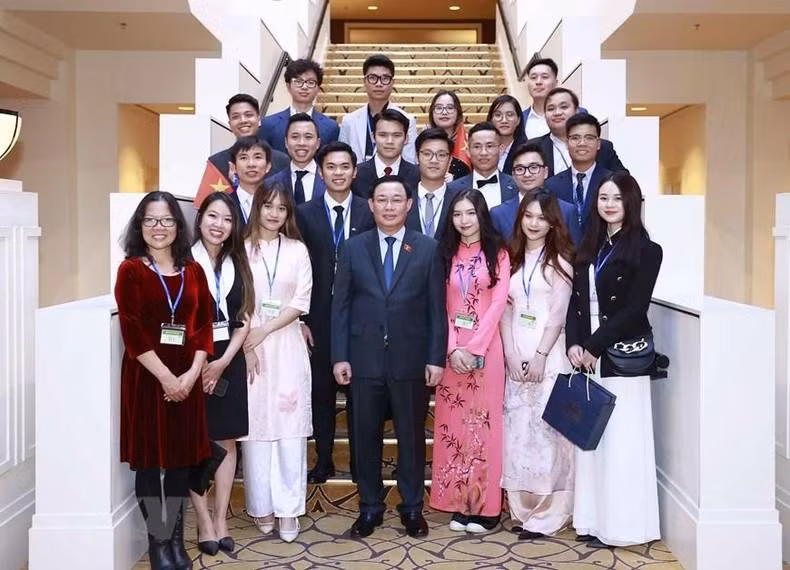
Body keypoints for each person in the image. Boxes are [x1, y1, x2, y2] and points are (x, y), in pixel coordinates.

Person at [331, 175, 447, 539]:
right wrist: (339, 356)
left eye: (397, 199)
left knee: (411, 439)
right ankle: (370, 508)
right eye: (382, 199)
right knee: (364, 437)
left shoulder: (427, 248)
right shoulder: (353, 247)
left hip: (410, 360)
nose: (389, 206)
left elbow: (435, 310)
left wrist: (435, 358)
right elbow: (341, 306)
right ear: (371, 204)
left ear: (409, 205)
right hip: (363, 360)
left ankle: (412, 508)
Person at [115, 191, 213, 570]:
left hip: (186, 380)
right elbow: (134, 332)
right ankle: (158, 546)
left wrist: (189, 375)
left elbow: (204, 326)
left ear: (178, 225)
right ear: (140, 226)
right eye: (151, 220)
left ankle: (175, 542)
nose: (159, 228)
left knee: (177, 464)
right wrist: (168, 379)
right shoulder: (132, 270)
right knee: (148, 464)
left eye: (167, 220)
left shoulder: (193, 270)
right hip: (147, 379)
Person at [565, 171, 662, 548]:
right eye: (603, 198)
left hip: (619, 358)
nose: (609, 204)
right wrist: (574, 344)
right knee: (592, 442)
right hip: (587, 359)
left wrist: (594, 345)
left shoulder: (646, 249)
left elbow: (634, 309)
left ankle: (622, 526)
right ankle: (592, 521)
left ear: (631, 203)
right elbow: (576, 303)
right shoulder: (588, 245)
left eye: (617, 199)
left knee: (621, 445)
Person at [430, 189, 510, 534]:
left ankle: (487, 507)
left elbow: (497, 305)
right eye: (457, 214)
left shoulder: (499, 254)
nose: (464, 220)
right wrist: (452, 348)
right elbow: (441, 305)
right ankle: (461, 503)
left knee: (485, 429)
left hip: (487, 352)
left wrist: (474, 348)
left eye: (470, 213)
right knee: (454, 430)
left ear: (482, 216)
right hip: (452, 354)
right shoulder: (445, 254)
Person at [295, 141, 375, 484]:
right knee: (321, 393)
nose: (338, 173)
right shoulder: (303, 213)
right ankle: (324, 459)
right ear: (321, 171)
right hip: (318, 319)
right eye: (331, 167)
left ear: (354, 171)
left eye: (345, 167)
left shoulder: (369, 210)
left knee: (360, 396)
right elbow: (296, 267)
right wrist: (300, 318)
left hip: (362, 319)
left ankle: (360, 462)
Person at [500, 188, 576, 541]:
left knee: (549, 433)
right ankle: (522, 510)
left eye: (541, 217)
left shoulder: (560, 262)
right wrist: (512, 355)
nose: (534, 223)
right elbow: (503, 309)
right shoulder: (509, 258)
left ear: (552, 222)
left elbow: (557, 316)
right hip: (516, 354)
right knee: (518, 431)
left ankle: (549, 514)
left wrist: (542, 356)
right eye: (528, 216)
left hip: (550, 354)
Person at [241, 181, 313, 543]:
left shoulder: (298, 250)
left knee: (289, 428)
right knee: (256, 430)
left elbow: (301, 301)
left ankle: (288, 509)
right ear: (257, 207)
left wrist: (264, 330)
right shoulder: (239, 249)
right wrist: (247, 344)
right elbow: (232, 299)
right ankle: (262, 506)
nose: (273, 213)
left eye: (281, 208)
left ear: (288, 214)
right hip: (248, 346)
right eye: (268, 206)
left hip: (285, 344)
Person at [189, 192, 255, 556]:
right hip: (191, 362)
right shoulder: (186, 262)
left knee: (227, 440)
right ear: (200, 221)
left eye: (227, 219)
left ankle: (221, 518)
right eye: (213, 217)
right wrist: (202, 364)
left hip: (228, 359)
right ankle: (202, 519)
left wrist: (223, 361)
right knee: (196, 441)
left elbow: (244, 318)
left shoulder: (237, 261)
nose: (219, 225)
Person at [490, 143, 581, 245]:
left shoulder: (567, 211)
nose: (527, 174)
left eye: (533, 167)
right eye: (520, 169)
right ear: (513, 175)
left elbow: (574, 254)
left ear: (545, 172)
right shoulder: (498, 214)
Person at [339, 54, 418, 163]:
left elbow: (409, 161)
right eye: (373, 78)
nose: (379, 84)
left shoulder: (408, 120)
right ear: (364, 81)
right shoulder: (349, 121)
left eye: (385, 79)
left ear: (392, 83)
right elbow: (343, 158)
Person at [528, 88, 625, 177]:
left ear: (577, 111)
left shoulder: (603, 147)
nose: (557, 113)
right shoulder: (532, 147)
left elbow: (624, 181)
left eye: (564, 107)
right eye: (551, 109)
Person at [544, 113, 612, 237]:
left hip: (601, 254)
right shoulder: (551, 185)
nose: (582, 143)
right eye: (575, 138)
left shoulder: (612, 182)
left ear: (598, 143)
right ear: (567, 143)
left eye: (589, 138)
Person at [206, 94, 289, 187]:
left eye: (248, 115)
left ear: (259, 120)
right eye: (236, 117)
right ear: (230, 124)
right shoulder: (216, 163)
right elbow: (207, 200)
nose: (243, 120)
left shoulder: (282, 161)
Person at [259, 58, 340, 153]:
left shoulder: (331, 127)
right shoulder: (268, 124)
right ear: (288, 86)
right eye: (298, 81)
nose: (304, 87)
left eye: (310, 83)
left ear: (318, 89)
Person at [350, 108, 420, 199]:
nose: (389, 141)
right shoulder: (355, 174)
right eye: (383, 135)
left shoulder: (418, 175)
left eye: (396, 135)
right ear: (373, 137)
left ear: (406, 139)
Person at [448, 122, 518, 210]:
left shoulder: (517, 185)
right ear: (468, 151)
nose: (483, 153)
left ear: (501, 149)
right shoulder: (452, 189)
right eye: (477, 147)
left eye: (489, 146)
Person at [407, 127, 460, 238]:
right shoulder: (403, 199)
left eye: (441, 155)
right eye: (427, 154)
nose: (434, 160)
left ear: (450, 160)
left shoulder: (460, 199)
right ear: (417, 158)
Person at [265, 113, 326, 205]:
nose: (301, 143)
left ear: (318, 143)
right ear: (286, 142)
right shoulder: (269, 184)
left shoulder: (330, 180)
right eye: (295, 137)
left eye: (308, 137)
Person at [226, 137, 272, 225]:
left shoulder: (279, 203)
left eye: (257, 157)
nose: (251, 164)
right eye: (243, 158)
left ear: (268, 166)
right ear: (233, 167)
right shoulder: (224, 204)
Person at [427, 90, 471, 180]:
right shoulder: (424, 140)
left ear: (458, 112)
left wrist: (456, 179)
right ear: (432, 112)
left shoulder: (470, 141)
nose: (444, 112)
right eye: (439, 108)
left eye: (450, 108)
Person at [487, 95, 527, 176]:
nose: (504, 120)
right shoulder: (482, 149)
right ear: (491, 119)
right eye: (498, 115)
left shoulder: (527, 150)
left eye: (510, 115)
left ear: (518, 120)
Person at [522, 57, 560, 139]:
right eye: (533, 77)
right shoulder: (519, 120)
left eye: (545, 77)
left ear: (556, 83)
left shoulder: (576, 113)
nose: (538, 82)